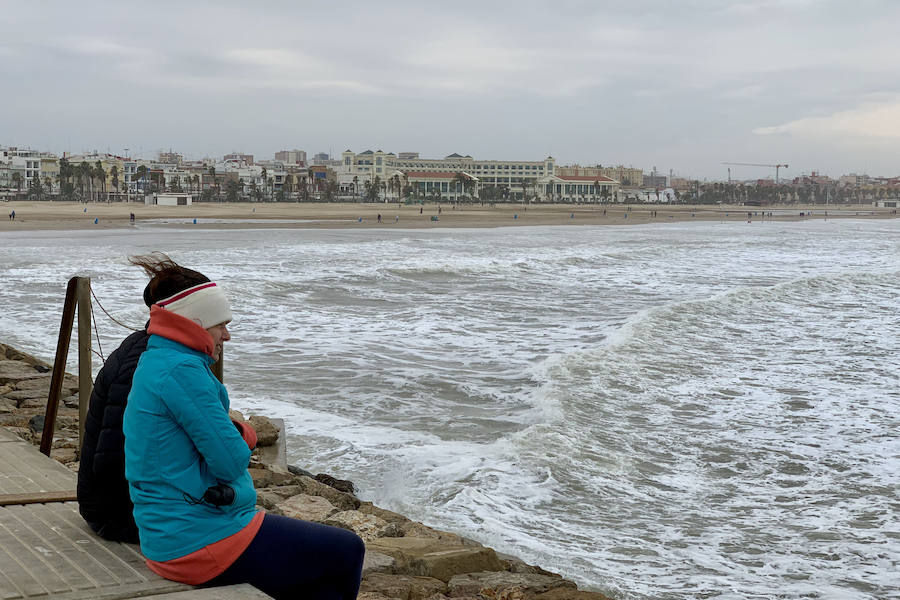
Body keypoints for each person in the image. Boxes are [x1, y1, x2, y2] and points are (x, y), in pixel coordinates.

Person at [123, 255, 364, 599]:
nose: (227, 335)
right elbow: (230, 461)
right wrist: (246, 433)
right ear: (196, 321)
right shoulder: (182, 371)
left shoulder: (159, 358)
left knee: (312, 565)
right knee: (347, 550)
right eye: (220, 324)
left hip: (172, 529)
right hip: (195, 541)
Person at [78, 255, 213, 542]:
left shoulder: (145, 347)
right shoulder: (151, 365)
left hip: (109, 505)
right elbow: (112, 459)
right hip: (119, 514)